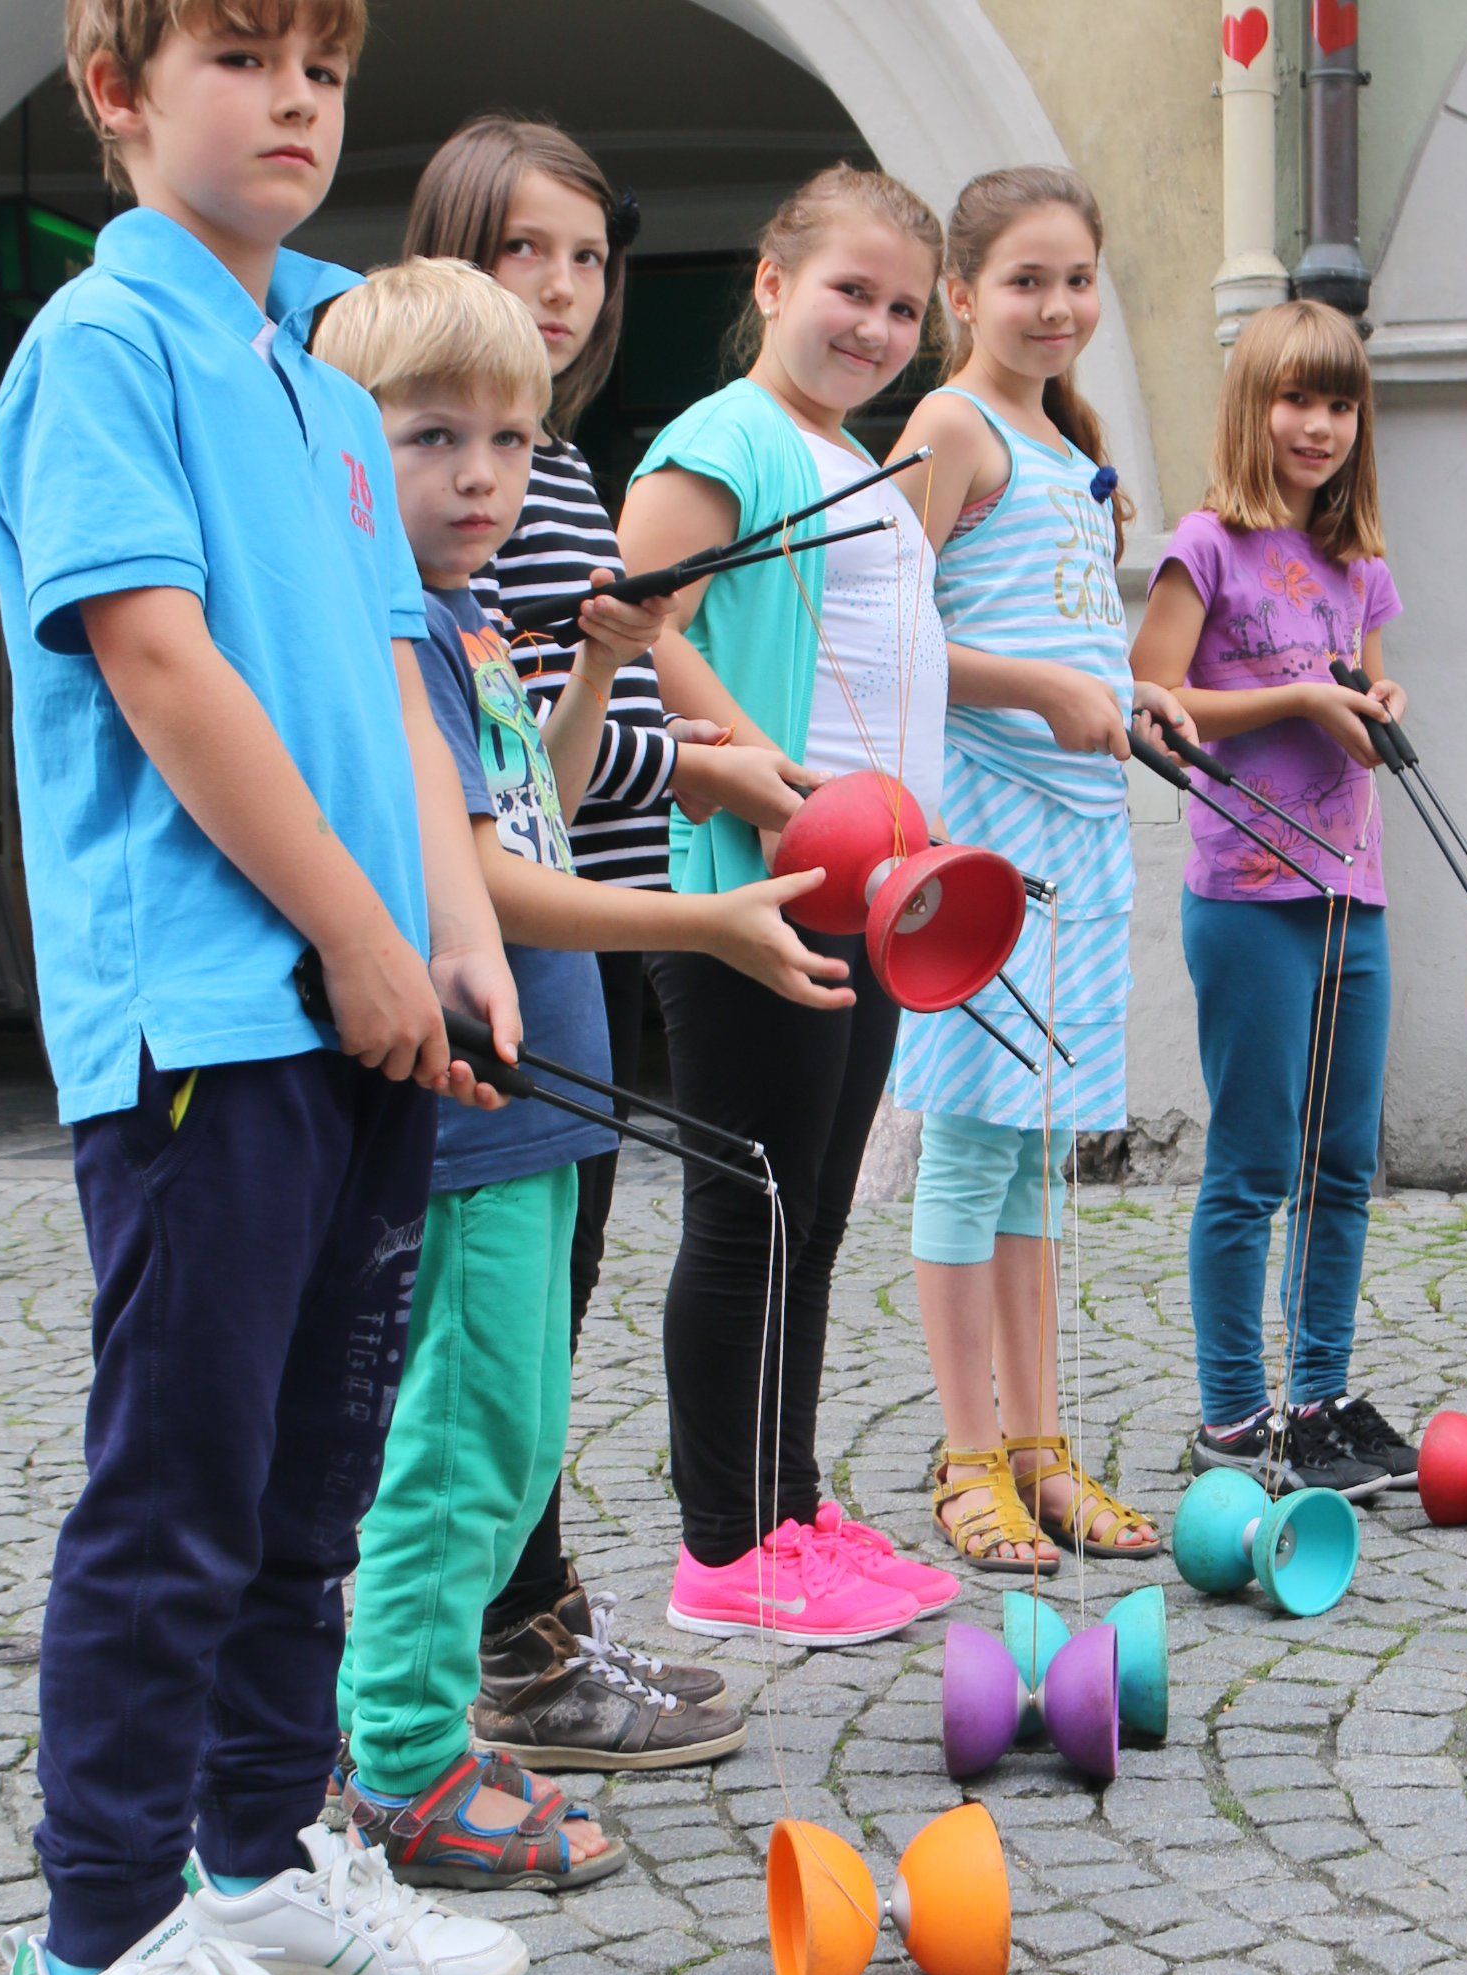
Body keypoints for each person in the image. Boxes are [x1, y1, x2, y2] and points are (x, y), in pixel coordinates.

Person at [0, 0, 532, 1975]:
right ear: (119, 93)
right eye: (239, 58)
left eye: (323, 65)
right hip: (210, 1016)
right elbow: (162, 667)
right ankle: (96, 1955)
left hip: (362, 1003)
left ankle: (256, 1859)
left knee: (313, 1479)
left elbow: (394, 671)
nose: (295, 99)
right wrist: (355, 936)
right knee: (181, 1491)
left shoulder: (318, 370)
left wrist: (455, 929)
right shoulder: (99, 349)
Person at [321, 257, 853, 1879]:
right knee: (462, 1447)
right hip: (478, 1117)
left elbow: (536, 813)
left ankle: (410, 1730)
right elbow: (480, 888)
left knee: (514, 1438)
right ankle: (400, 1763)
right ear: (346, 453)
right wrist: (708, 923)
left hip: (543, 1106)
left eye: (509, 438)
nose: (479, 476)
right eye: (432, 438)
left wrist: (607, 662)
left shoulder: (469, 627)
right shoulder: (385, 641)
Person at [398, 118, 806, 1766]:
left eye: (586, 255)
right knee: (488, 1353)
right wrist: (699, 766)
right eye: (525, 250)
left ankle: (535, 1628)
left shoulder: (557, 471)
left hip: (577, 918)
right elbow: (477, 782)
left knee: (539, 1329)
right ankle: (487, 1664)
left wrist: (624, 691)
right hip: (516, 939)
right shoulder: (434, 535)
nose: (563, 287)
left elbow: (545, 745)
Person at [615, 165, 964, 1642]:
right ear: (771, 283)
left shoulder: (852, 457)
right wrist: (766, 780)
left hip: (871, 887)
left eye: (902, 308)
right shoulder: (725, 437)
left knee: (807, 1217)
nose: (875, 328)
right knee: (750, 1209)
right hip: (758, 886)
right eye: (848, 292)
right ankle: (724, 1549)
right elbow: (640, 625)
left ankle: (788, 1506)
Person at [886, 166, 1193, 1568]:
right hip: (984, 838)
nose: (1056, 306)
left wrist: (1132, 695)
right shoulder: (948, 425)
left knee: (1034, 1168)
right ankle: (967, 1459)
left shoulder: (1066, 446)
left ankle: (1039, 1450)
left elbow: (1063, 640)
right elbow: (886, 636)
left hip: (1075, 841)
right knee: (968, 1154)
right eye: (1025, 281)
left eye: (1076, 280)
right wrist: (1047, 693)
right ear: (962, 294)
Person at [1130, 297, 1420, 1499]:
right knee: (1252, 1166)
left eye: (1338, 403)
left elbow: (1366, 701)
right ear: (1251, 408)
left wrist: (1375, 711)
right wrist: (1298, 697)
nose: (1317, 425)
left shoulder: (1360, 565)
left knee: (1341, 1164)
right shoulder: (1205, 545)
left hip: (1353, 891)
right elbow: (1156, 697)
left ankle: (1317, 1402)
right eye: (1295, 399)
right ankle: (1231, 1416)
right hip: (1248, 898)